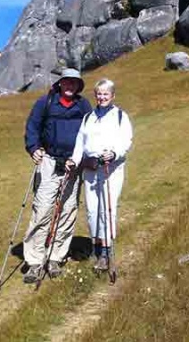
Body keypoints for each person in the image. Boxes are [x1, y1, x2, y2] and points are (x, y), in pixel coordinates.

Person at [23, 68, 92, 284]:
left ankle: (56, 257)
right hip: (49, 161)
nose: (70, 86)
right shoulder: (45, 102)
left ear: (78, 86)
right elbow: (32, 127)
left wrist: (83, 157)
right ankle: (34, 262)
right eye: (67, 82)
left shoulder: (83, 106)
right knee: (42, 209)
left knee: (68, 210)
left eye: (74, 83)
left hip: (73, 165)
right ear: (60, 83)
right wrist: (34, 148)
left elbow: (91, 133)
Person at [68, 78, 133, 271]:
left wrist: (114, 153)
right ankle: (97, 247)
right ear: (95, 96)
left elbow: (126, 140)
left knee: (107, 208)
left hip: (111, 169)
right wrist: (74, 159)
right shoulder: (88, 117)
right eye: (99, 94)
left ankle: (106, 251)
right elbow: (80, 141)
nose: (102, 97)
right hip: (90, 168)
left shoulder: (121, 116)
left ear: (113, 95)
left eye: (106, 94)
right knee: (92, 210)